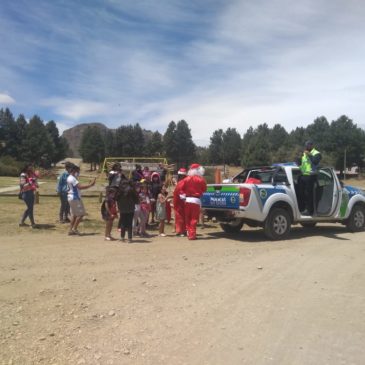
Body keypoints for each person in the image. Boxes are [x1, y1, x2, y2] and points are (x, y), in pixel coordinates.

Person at [180, 163, 207, 240]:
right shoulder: (201, 179)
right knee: (194, 218)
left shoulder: (186, 179)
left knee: (187, 218)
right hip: (196, 200)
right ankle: (192, 235)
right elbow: (204, 189)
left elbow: (181, 189)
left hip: (187, 200)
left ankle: (189, 233)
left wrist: (183, 197)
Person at [67, 165, 96, 235]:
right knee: (81, 214)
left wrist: (89, 184)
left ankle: (71, 230)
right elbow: (80, 187)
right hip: (75, 198)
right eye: (78, 171)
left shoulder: (70, 178)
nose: (78, 172)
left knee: (74, 215)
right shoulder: (72, 179)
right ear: (74, 171)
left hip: (71, 197)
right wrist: (90, 185)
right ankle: (74, 229)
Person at [299, 140, 322, 215]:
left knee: (309, 194)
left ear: (312, 145)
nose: (306, 147)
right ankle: (302, 208)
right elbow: (302, 164)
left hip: (311, 176)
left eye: (308, 145)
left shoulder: (317, 153)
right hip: (304, 175)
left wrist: (309, 155)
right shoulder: (304, 154)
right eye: (306, 145)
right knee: (301, 193)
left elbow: (315, 162)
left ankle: (309, 210)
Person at [117, 178, 139, 243]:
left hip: (122, 208)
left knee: (123, 223)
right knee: (129, 223)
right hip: (130, 208)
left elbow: (117, 198)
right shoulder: (131, 189)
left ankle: (122, 237)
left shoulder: (120, 189)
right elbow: (136, 199)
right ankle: (129, 238)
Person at [173, 168, 187, 236]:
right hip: (178, 201)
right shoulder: (180, 182)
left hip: (181, 202)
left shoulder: (183, 182)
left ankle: (181, 231)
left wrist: (184, 199)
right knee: (178, 216)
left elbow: (182, 192)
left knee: (181, 216)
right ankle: (179, 230)